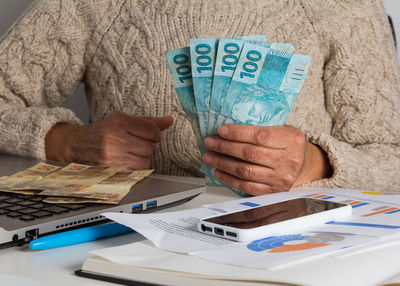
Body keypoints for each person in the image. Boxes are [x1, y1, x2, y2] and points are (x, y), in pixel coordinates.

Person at [0, 0, 399, 195]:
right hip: (131, 246)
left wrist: (316, 164)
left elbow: (392, 156)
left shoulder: (344, 5)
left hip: (291, 248)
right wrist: (65, 141)